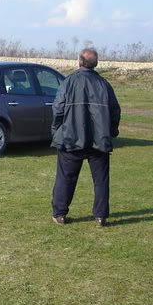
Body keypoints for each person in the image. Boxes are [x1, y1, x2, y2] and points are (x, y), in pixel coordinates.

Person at [51, 48, 121, 227]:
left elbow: (58, 109)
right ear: (95, 64)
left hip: (71, 138)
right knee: (101, 180)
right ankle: (100, 216)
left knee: (66, 178)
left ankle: (60, 213)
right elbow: (115, 111)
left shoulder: (69, 82)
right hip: (97, 140)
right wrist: (111, 131)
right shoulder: (104, 84)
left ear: (80, 61)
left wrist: (56, 130)